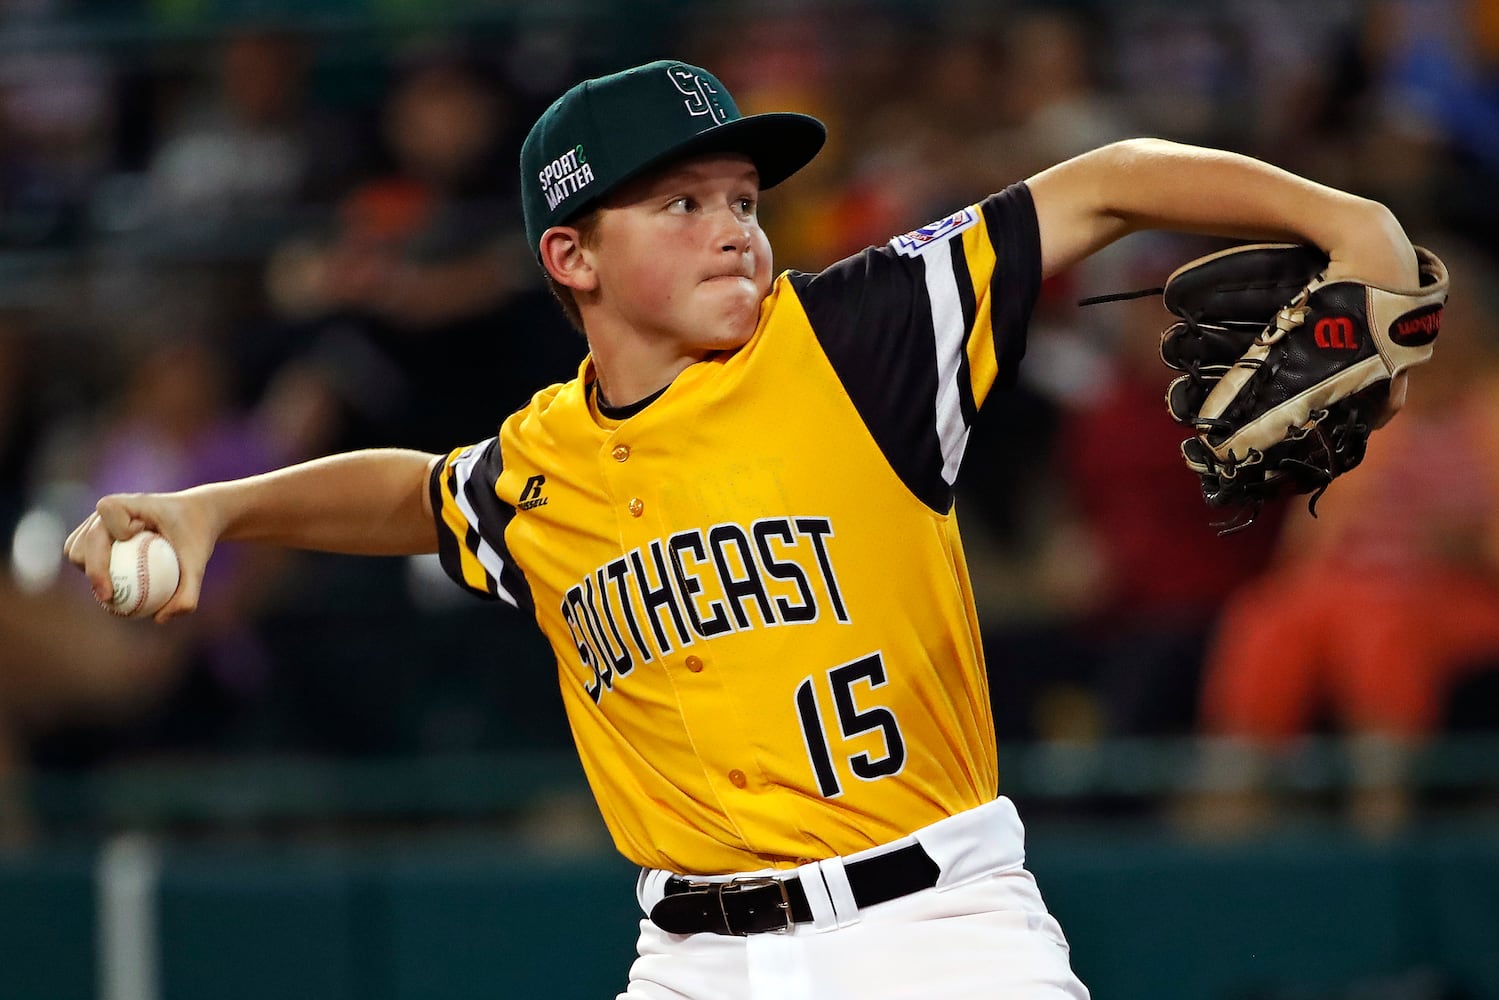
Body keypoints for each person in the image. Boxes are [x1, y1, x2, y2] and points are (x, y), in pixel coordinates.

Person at [65, 60, 1425, 999]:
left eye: (743, 201)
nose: (735, 232)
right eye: (682, 204)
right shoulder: (548, 463)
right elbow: (421, 494)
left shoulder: (852, 340)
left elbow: (1109, 185)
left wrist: (1346, 220)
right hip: (691, 960)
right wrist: (218, 506)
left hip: (934, 934)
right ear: (571, 257)